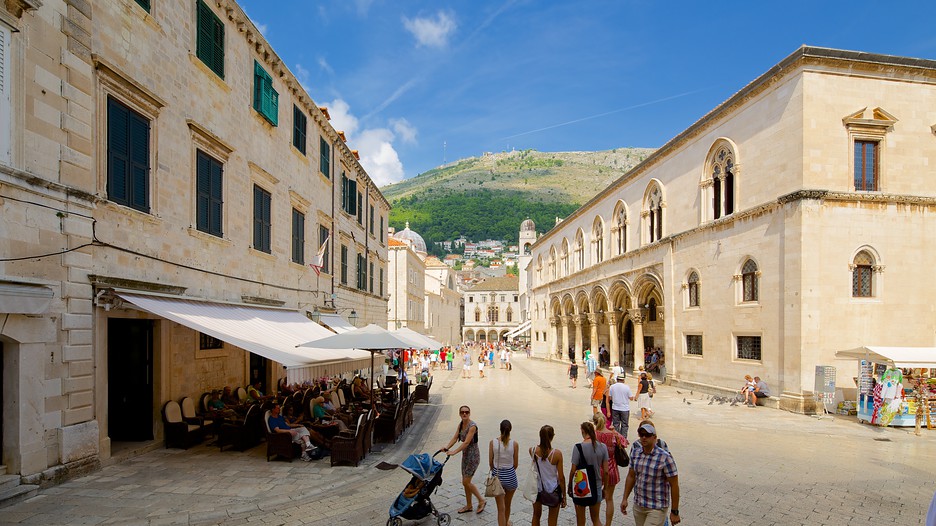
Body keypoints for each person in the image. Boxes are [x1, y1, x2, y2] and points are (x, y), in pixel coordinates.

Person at [621, 423, 680, 526]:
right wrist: (625, 498)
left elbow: (674, 484)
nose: (644, 437)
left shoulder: (665, 457)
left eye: (647, 435)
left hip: (657, 507)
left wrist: (674, 511)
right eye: (641, 434)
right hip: (639, 505)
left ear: (655, 438)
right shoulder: (635, 453)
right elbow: (631, 476)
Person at [444, 405, 486, 514]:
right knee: (466, 482)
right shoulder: (461, 424)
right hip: (465, 456)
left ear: (469, 413)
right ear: (459, 413)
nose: (464, 414)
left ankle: (481, 500)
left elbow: (466, 442)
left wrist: (454, 452)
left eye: (466, 412)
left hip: (473, 457)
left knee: (466, 481)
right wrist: (447, 447)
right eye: (462, 412)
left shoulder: (472, 426)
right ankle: (469, 505)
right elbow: (455, 437)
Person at [568, 421, 609, 526]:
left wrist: (569, 486)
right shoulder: (603, 447)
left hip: (582, 487)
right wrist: (606, 488)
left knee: (580, 521)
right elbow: (606, 471)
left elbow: (573, 470)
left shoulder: (578, 447)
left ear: (583, 431)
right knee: (596, 519)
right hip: (597, 486)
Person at [593, 413, 627, 526]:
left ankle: (597, 522)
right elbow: (625, 442)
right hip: (611, 469)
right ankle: (608, 524)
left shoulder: (593, 435)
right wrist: (615, 432)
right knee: (609, 499)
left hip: (597, 470)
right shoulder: (613, 434)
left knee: (596, 499)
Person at [530, 425, 566, 526]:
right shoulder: (557, 454)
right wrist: (564, 496)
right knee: (552, 520)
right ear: (552, 436)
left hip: (537, 488)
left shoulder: (532, 450)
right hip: (553, 488)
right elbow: (561, 477)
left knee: (536, 515)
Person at [489, 419, 519, 526]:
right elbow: (515, 464)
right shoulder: (514, 444)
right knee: (508, 504)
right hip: (510, 476)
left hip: (498, 476)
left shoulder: (493, 443)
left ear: (500, 428)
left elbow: (491, 463)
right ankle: (506, 523)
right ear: (510, 430)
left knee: (500, 509)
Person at [607, 374, 634, 438]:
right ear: (623, 380)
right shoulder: (627, 387)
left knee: (616, 424)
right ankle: (623, 439)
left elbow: (610, 397)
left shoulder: (612, 387)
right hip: (624, 408)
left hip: (615, 407)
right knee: (624, 425)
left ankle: (616, 438)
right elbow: (631, 398)